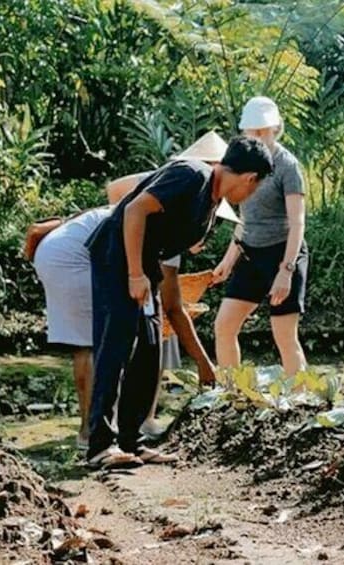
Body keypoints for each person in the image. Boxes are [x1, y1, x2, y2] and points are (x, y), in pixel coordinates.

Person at [32, 132, 237, 450]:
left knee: (146, 339)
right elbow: (174, 306)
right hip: (76, 254)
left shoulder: (185, 211)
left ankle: (129, 435)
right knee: (105, 340)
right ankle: (94, 436)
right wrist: (135, 274)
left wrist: (203, 362)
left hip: (99, 251)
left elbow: (169, 306)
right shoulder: (184, 188)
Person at [85, 135, 272, 468]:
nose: (250, 195)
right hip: (118, 258)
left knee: (150, 346)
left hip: (145, 264)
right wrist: (133, 274)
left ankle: (132, 439)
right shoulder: (192, 175)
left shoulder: (212, 201)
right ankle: (101, 444)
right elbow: (134, 210)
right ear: (249, 178)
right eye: (255, 189)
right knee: (116, 343)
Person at [212, 96, 309, 376]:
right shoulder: (242, 162)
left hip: (284, 253)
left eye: (264, 130)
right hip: (251, 252)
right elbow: (245, 219)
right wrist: (228, 260)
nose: (259, 136)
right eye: (253, 131)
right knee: (224, 325)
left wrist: (286, 271)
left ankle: (302, 400)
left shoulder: (287, 166)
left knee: (283, 334)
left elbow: (297, 221)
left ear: (276, 129)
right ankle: (234, 392)